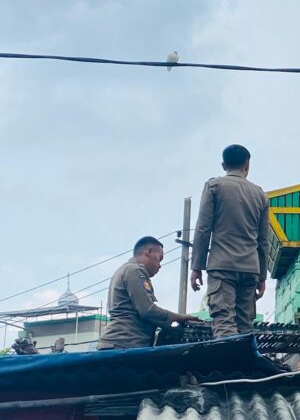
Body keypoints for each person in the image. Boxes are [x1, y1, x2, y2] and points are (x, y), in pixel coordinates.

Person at [190, 144, 270, 339]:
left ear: (224, 165)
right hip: (250, 269)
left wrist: (196, 266)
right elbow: (263, 240)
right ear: (247, 166)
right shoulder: (260, 194)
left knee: (224, 320)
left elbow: (203, 229)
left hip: (222, 266)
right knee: (245, 325)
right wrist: (262, 276)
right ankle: (243, 367)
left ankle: (226, 367)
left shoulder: (214, 187)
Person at [98, 236, 200, 350]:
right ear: (149, 252)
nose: (160, 265)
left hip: (118, 345)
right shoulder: (135, 271)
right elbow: (148, 310)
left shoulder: (125, 270)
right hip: (124, 344)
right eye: (160, 258)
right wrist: (181, 318)